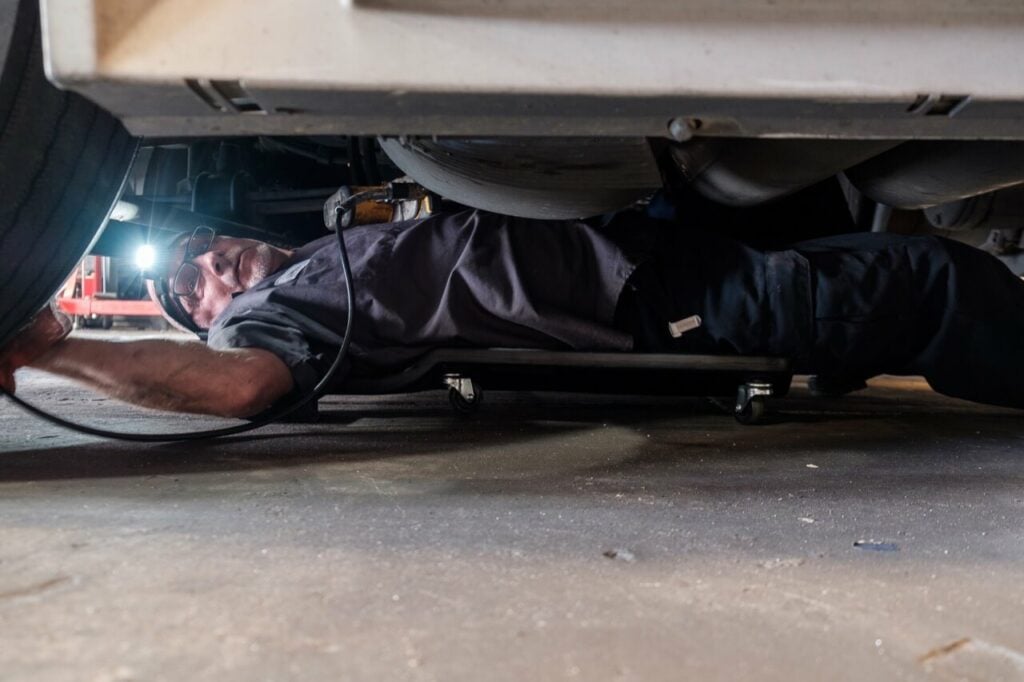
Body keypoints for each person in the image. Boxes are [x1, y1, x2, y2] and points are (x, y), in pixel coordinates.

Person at [3, 208, 1024, 417]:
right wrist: (51, 349)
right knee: (930, 280)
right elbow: (239, 385)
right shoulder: (260, 318)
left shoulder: (322, 251)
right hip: (661, 306)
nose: (204, 269)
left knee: (867, 250)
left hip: (665, 249)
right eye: (189, 289)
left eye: (203, 250)